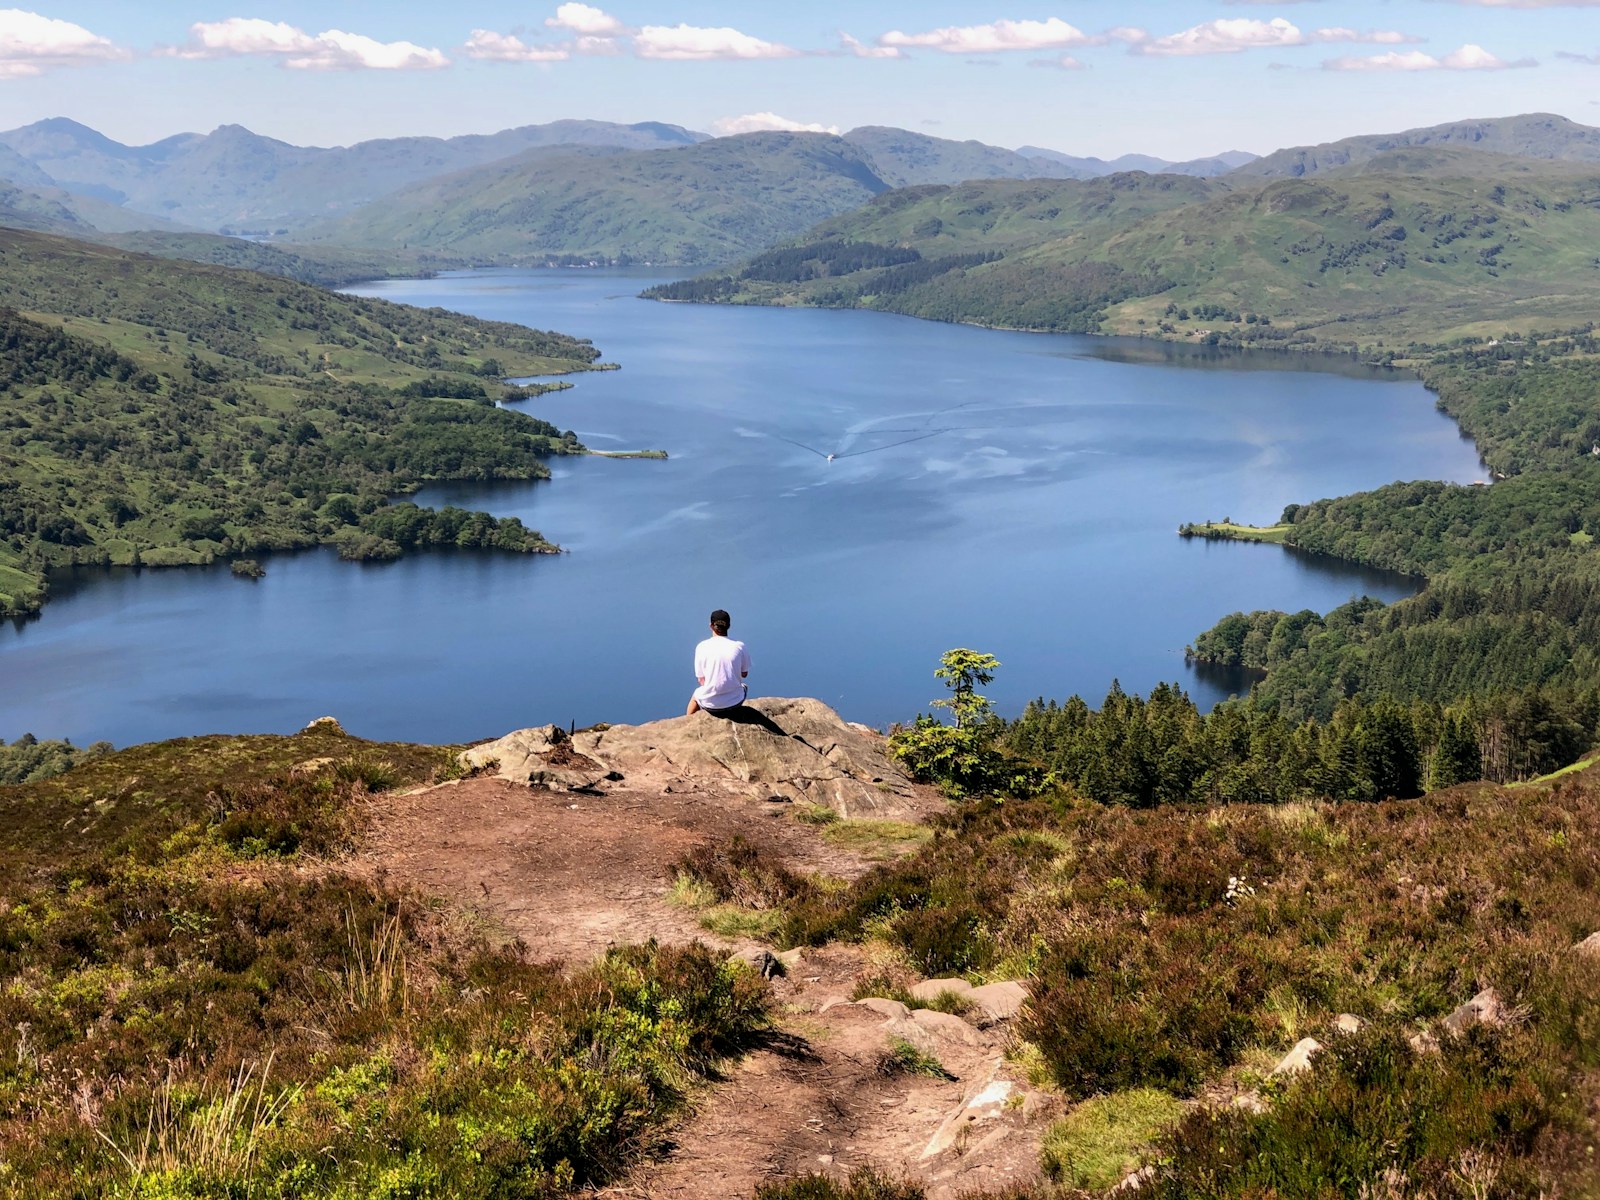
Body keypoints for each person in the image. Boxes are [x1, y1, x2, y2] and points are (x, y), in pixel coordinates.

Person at [687, 608, 750, 716]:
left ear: (711, 625)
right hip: (735, 702)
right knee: (744, 686)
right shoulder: (739, 646)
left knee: (695, 696)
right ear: (729, 626)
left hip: (710, 704)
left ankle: (687, 723)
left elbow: (701, 679)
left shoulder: (702, 647)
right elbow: (744, 673)